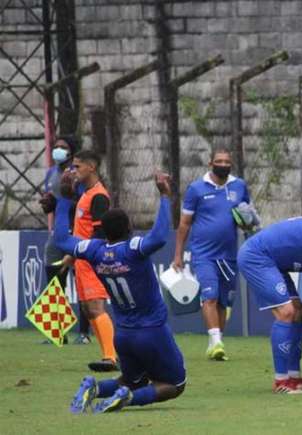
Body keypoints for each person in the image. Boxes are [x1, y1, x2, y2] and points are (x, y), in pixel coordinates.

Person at [59, 173, 186, 413]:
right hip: (152, 330)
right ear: (129, 227)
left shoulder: (95, 250)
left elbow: (61, 240)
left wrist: (64, 200)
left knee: (133, 380)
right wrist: (165, 196)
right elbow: (159, 237)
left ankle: (93, 387)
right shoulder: (133, 249)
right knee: (175, 385)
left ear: (104, 232)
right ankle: (127, 399)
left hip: (123, 334)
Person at [236, 216, 302, 394]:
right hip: (256, 257)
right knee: (287, 312)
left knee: (299, 310)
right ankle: (280, 381)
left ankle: (294, 377)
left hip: (274, 261)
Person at [173, 148, 252, 361]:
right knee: (210, 295)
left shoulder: (239, 186)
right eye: (219, 161)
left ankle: (215, 342)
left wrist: (249, 225)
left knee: (223, 302)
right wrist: (178, 254)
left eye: (227, 161)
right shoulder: (196, 189)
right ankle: (216, 342)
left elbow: (248, 217)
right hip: (203, 254)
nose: (223, 164)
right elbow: (184, 223)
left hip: (229, 255)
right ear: (210, 163)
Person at [60, 150, 117, 371]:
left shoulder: (99, 196)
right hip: (82, 259)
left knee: (95, 306)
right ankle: (109, 355)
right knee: (87, 308)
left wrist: (82, 252)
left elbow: (100, 234)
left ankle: (111, 357)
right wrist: (73, 255)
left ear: (91, 167)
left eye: (77, 166)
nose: (73, 171)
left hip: (93, 259)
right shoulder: (85, 194)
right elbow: (82, 231)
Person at [38, 135, 91, 345]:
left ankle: (84, 333)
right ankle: (57, 333)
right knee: (54, 284)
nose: (58, 150)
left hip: (77, 233)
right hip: (56, 235)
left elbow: (83, 202)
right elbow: (52, 202)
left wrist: (70, 196)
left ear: (72, 152)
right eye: (56, 146)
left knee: (82, 285)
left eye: (63, 147)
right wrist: (47, 203)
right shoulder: (51, 173)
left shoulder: (78, 175)